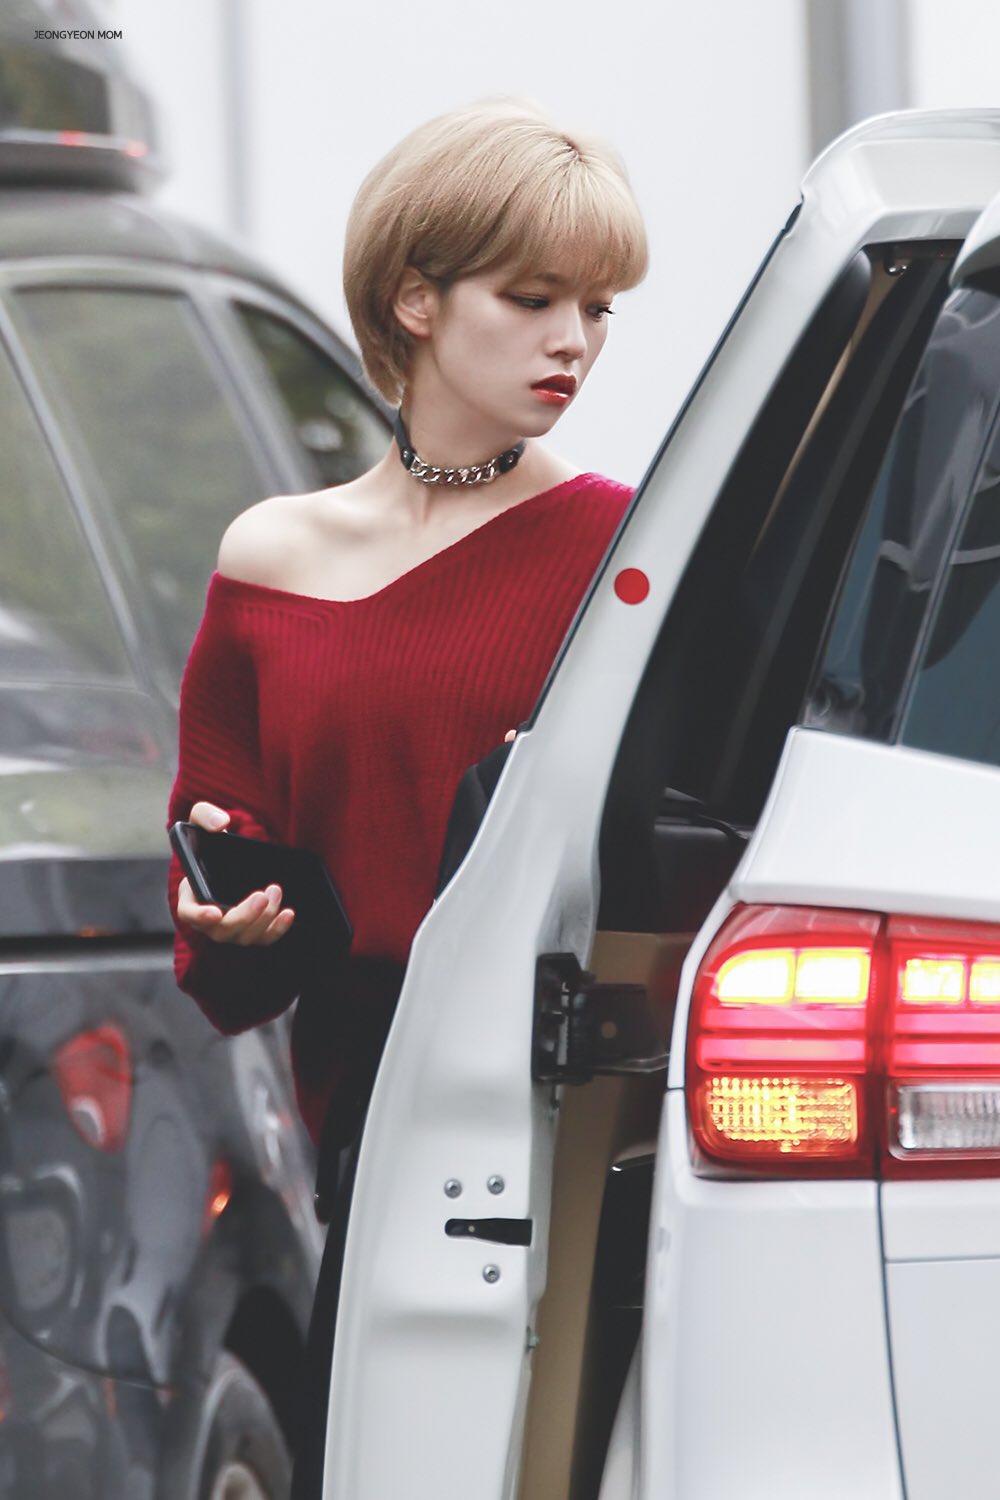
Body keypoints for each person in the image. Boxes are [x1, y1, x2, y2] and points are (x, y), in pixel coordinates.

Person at [165, 95, 647, 1492]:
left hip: (567, 1097)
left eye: (598, 308)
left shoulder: (621, 553)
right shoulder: (271, 558)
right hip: (370, 1109)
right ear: (415, 300)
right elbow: (221, 899)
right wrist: (229, 918)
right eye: (535, 298)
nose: (575, 342)